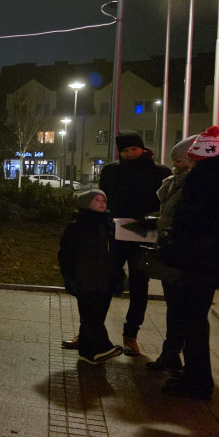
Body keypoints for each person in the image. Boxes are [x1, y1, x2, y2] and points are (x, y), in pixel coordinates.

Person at [160, 126, 219, 400]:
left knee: (192, 321)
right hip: (211, 262)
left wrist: (173, 243)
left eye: (189, 159)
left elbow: (192, 225)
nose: (187, 164)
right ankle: (197, 375)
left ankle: (197, 382)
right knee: (195, 321)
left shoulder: (205, 181)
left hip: (197, 263)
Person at [96, 130, 171, 356]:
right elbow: (103, 198)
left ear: (143, 148)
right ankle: (92, 330)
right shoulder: (111, 171)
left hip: (144, 236)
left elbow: (165, 204)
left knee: (139, 286)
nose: (130, 154)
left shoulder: (159, 172)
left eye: (134, 149)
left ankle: (131, 334)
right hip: (115, 233)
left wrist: (151, 221)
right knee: (105, 283)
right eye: (125, 151)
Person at [145, 135, 198, 372]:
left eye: (180, 160)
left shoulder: (197, 185)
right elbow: (168, 214)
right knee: (175, 308)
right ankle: (172, 355)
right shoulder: (173, 182)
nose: (175, 164)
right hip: (171, 251)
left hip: (186, 257)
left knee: (185, 312)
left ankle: (185, 362)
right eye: (175, 160)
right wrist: (153, 222)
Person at [58, 190, 124, 364]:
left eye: (104, 200)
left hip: (105, 280)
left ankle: (88, 352)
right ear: (86, 203)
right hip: (86, 279)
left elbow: (115, 254)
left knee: (96, 316)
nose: (102, 203)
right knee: (91, 316)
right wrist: (70, 277)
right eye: (97, 200)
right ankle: (101, 348)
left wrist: (117, 275)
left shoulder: (109, 225)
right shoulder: (78, 226)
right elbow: (66, 253)